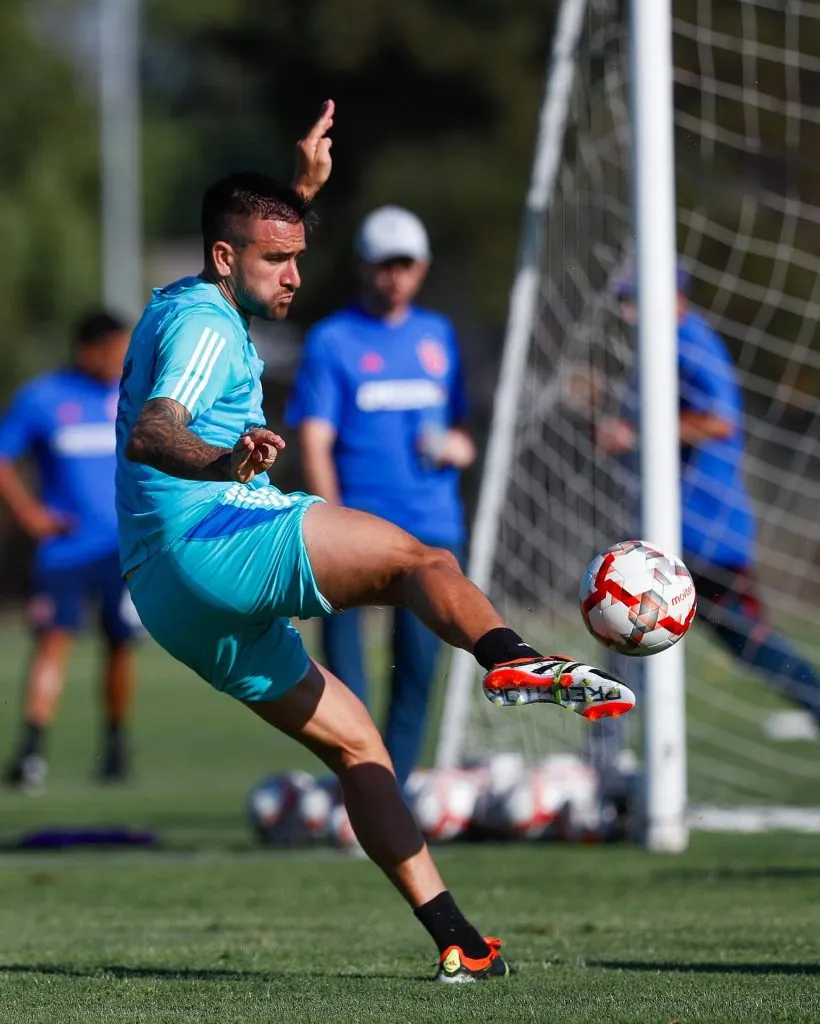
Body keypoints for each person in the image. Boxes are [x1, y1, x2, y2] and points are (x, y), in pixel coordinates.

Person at [115, 101, 635, 982]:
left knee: (360, 746)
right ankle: (510, 658)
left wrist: (301, 190)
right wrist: (223, 460)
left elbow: (249, 249)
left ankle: (459, 941)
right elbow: (154, 430)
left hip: (168, 595)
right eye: (276, 260)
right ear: (224, 258)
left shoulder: (186, 299)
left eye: (298, 257)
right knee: (421, 560)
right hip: (212, 532)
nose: (293, 276)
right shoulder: (203, 323)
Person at [285, 206, 475, 790]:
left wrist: (457, 447)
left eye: (406, 264)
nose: (395, 276)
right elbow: (314, 438)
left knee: (418, 666)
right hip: (358, 526)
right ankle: (357, 783)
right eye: (384, 264)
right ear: (363, 266)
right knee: (344, 672)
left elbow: (460, 428)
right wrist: (332, 521)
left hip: (431, 526)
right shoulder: (333, 339)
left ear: (422, 268)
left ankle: (397, 789)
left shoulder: (437, 335)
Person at [598, 267, 820, 723]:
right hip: (674, 530)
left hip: (705, 532)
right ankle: (606, 750)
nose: (627, 312)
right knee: (626, 631)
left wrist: (636, 432)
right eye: (624, 301)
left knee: (748, 643)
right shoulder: (661, 346)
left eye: (635, 300)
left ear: (673, 297)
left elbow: (720, 420)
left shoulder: (690, 344)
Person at [0, 310, 139, 792]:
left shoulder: (133, 396)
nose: (122, 359)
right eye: (115, 350)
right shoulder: (42, 398)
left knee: (120, 646)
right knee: (53, 642)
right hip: (64, 551)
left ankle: (116, 746)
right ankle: (32, 751)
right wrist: (30, 515)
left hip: (122, 549)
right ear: (89, 350)